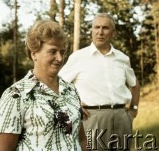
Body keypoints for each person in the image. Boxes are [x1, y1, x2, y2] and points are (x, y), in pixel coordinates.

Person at [0, 20, 87, 151]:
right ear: (34, 54)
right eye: (52, 51)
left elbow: (82, 139)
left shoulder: (70, 89)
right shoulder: (15, 95)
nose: (60, 58)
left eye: (62, 52)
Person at [59, 13, 140, 150]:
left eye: (105, 28)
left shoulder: (122, 58)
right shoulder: (79, 57)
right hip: (92, 119)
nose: (100, 32)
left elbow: (134, 84)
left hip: (122, 118)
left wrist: (134, 109)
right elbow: (58, 84)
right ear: (92, 30)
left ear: (113, 33)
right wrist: (72, 105)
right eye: (96, 27)